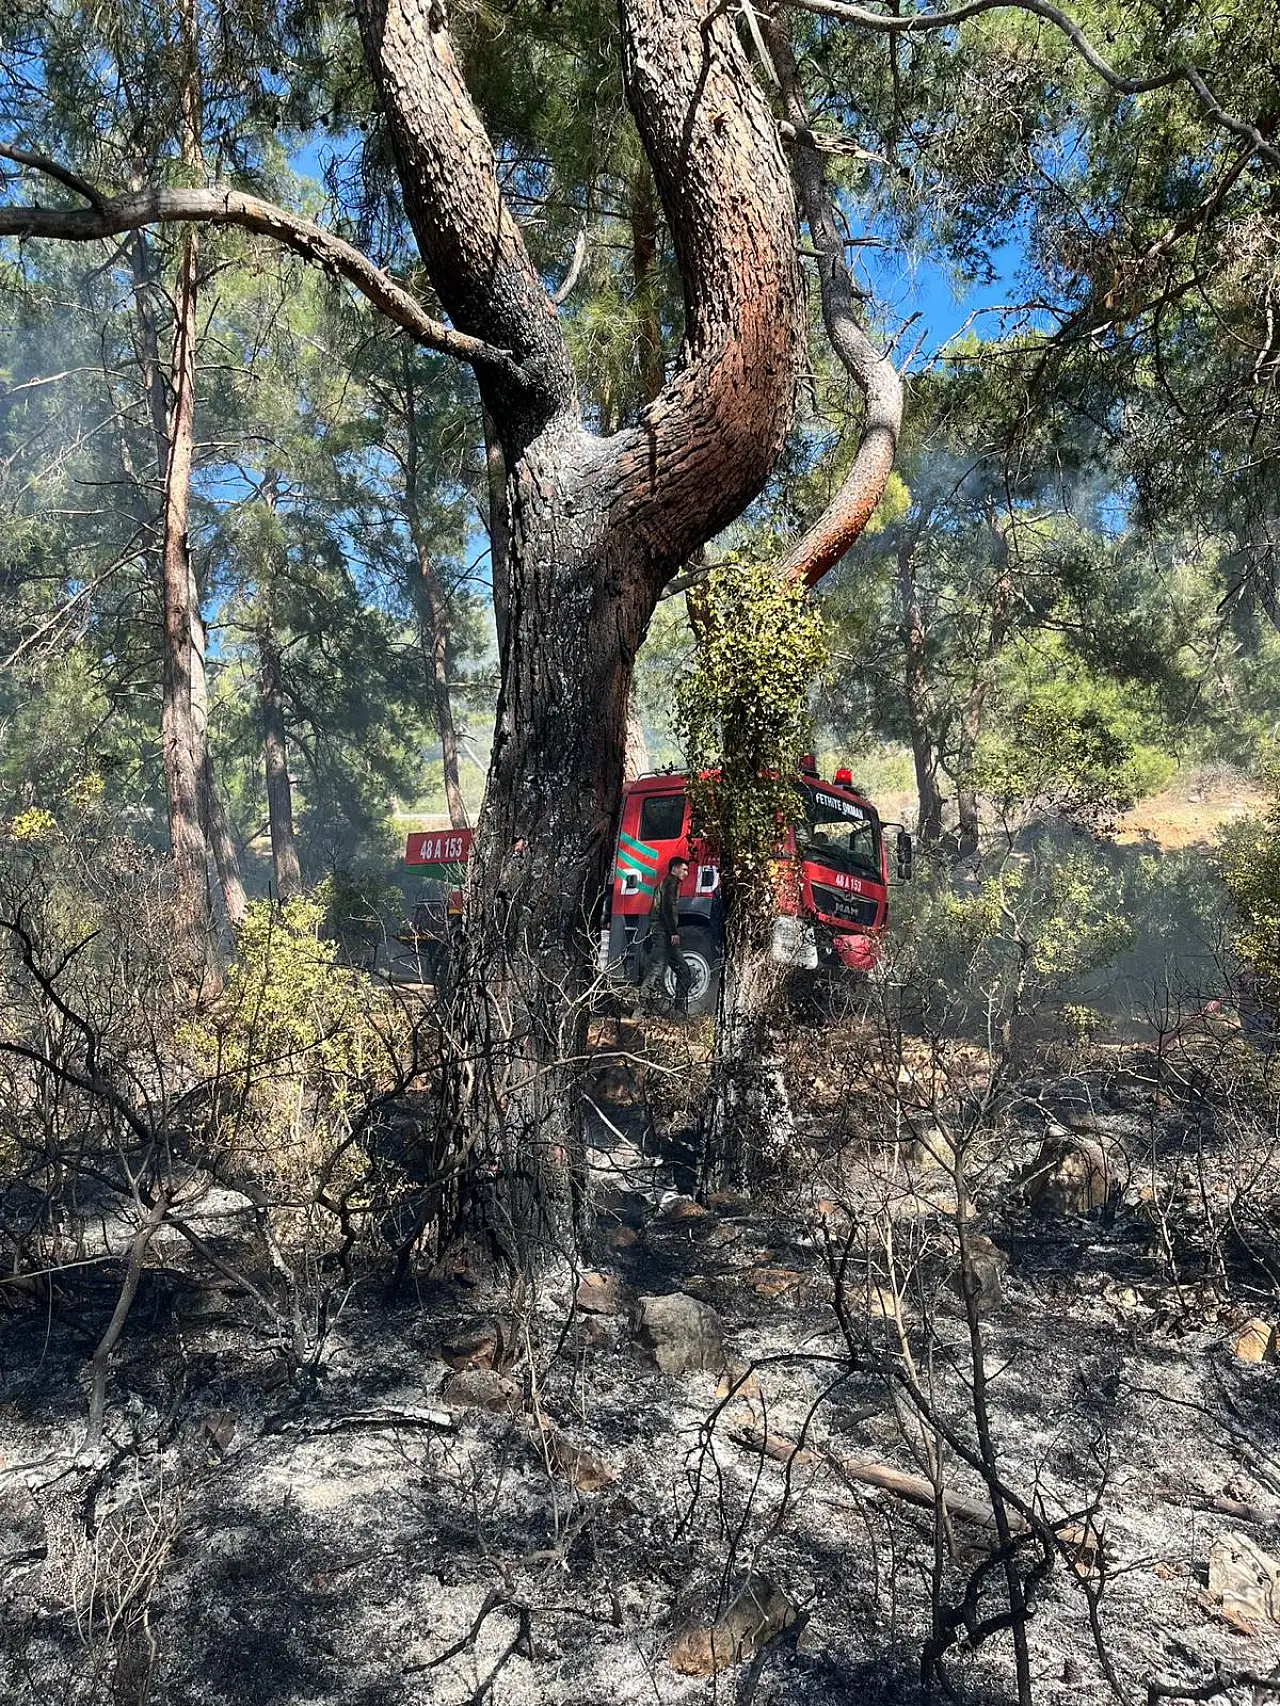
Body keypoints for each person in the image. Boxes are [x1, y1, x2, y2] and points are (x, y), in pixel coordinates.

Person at [637, 855, 693, 1018]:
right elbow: (666, 909)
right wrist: (674, 933)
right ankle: (643, 1010)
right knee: (657, 969)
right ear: (674, 869)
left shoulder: (668, 883)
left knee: (683, 970)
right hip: (664, 933)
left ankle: (679, 1011)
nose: (686, 873)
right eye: (684, 869)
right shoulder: (670, 883)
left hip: (664, 933)